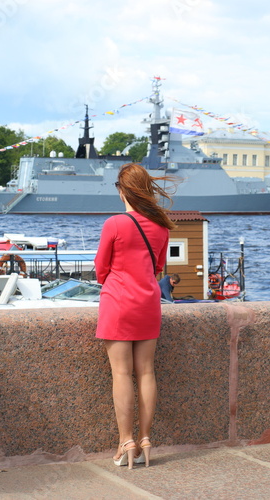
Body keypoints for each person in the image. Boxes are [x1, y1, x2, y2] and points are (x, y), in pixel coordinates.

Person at [95, 163, 177, 469]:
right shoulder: (161, 226)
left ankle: (125, 440)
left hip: (118, 302)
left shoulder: (115, 223)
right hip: (148, 303)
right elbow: (157, 268)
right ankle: (144, 440)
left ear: (122, 190)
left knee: (121, 373)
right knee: (146, 372)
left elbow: (101, 267)